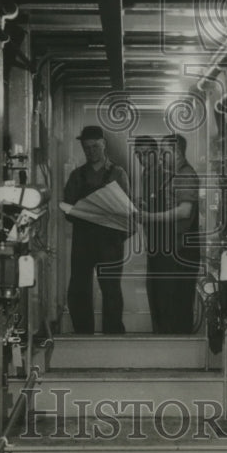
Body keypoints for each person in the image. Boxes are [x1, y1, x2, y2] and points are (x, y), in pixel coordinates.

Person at [63, 125, 129, 334]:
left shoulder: (118, 173)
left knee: (111, 290)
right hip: (83, 240)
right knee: (79, 289)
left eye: (95, 147)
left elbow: (126, 210)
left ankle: (113, 336)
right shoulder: (77, 176)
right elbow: (67, 209)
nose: (91, 151)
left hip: (110, 241)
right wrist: (83, 212)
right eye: (87, 148)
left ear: (104, 145)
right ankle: (83, 336)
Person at [142, 133, 201, 334]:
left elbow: (184, 211)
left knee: (176, 307)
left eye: (164, 152)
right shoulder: (172, 176)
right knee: (163, 304)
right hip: (168, 250)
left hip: (180, 253)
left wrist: (150, 217)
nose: (160, 157)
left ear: (176, 153)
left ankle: (176, 349)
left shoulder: (185, 175)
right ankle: (165, 345)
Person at [132, 135, 161, 332]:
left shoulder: (163, 174)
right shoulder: (146, 174)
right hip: (152, 241)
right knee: (154, 290)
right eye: (139, 155)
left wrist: (147, 213)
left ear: (156, 153)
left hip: (165, 243)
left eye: (146, 154)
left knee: (160, 293)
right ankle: (159, 334)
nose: (142, 159)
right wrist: (141, 205)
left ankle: (166, 338)